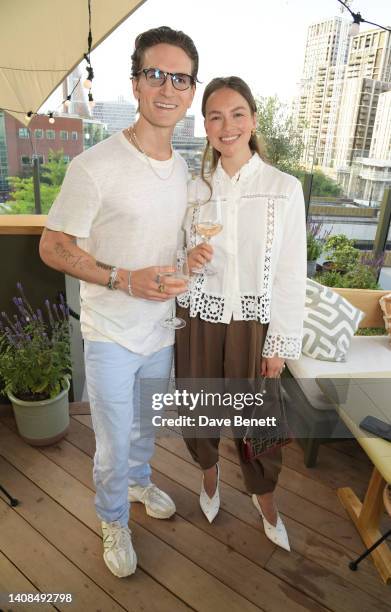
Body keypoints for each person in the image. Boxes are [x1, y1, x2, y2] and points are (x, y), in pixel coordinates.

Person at [39, 26, 198, 578]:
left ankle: (138, 483)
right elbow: (53, 246)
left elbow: (168, 246)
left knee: (144, 428)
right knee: (110, 438)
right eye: (156, 74)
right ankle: (112, 518)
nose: (168, 87)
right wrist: (125, 280)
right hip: (109, 332)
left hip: (160, 329)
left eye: (180, 78)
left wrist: (187, 263)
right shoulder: (94, 166)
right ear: (135, 84)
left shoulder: (181, 169)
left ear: (191, 91)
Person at [176, 76, 306, 552]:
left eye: (236, 114)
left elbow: (292, 271)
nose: (226, 125)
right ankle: (209, 476)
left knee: (261, 422)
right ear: (205, 125)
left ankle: (264, 498)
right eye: (214, 116)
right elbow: (173, 259)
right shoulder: (193, 190)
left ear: (252, 120)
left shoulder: (283, 189)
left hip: (256, 324)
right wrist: (185, 261)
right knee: (199, 412)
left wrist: (280, 344)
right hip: (199, 318)